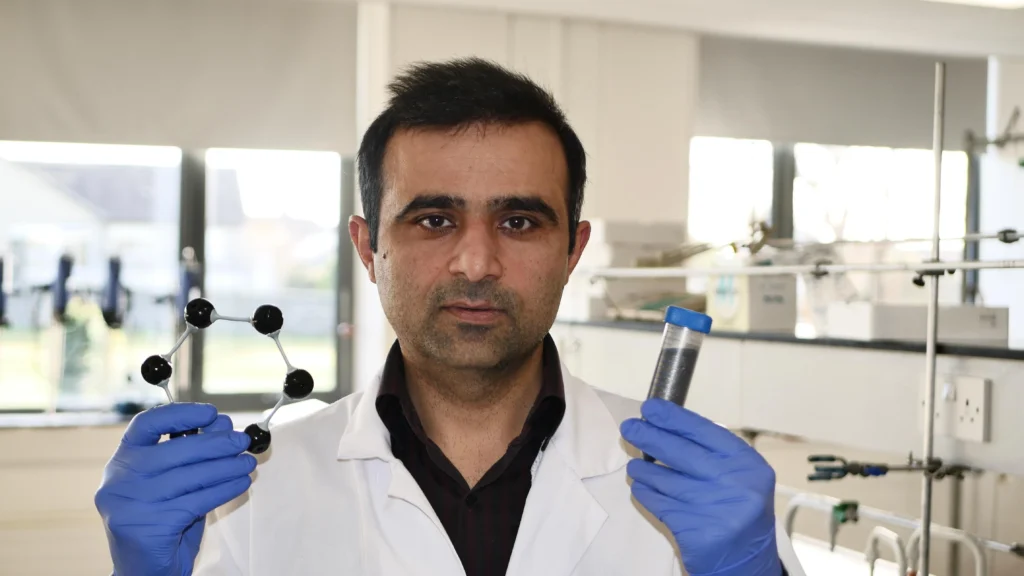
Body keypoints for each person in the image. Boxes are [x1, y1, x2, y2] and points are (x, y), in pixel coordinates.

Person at [95, 58, 804, 576]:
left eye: (520, 221)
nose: (476, 263)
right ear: (369, 247)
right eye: (434, 219)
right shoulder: (251, 495)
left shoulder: (699, 499)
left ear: (572, 250)